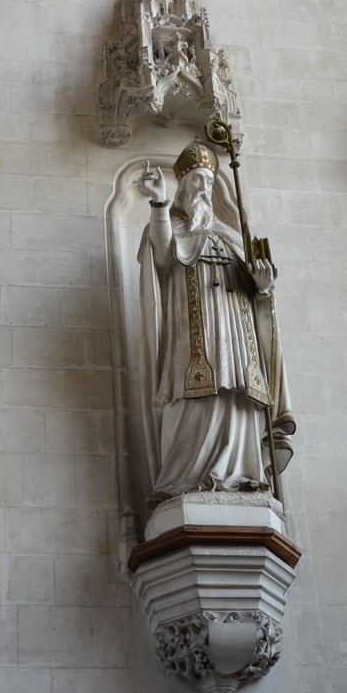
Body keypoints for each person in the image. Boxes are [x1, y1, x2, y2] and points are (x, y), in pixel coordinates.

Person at [136, 140, 294, 504]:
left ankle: (242, 477)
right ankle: (184, 480)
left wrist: (263, 287)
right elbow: (160, 256)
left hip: (238, 344)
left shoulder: (230, 236)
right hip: (190, 338)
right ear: (181, 185)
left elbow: (259, 299)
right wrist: (159, 203)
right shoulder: (169, 226)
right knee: (191, 399)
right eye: (195, 180)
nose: (202, 187)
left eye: (207, 181)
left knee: (237, 400)